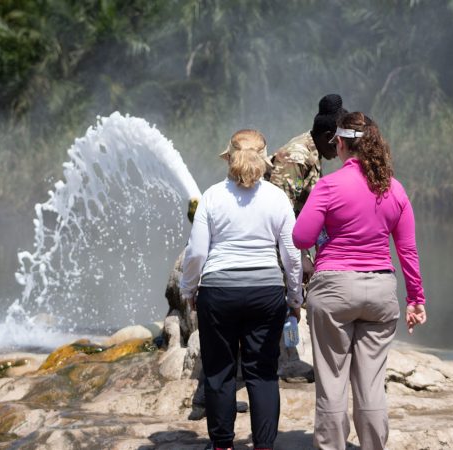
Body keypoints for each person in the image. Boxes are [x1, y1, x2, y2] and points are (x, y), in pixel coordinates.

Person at [292, 112, 428, 449]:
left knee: (332, 381)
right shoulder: (394, 189)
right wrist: (416, 300)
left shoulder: (329, 185)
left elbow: (301, 237)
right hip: (381, 291)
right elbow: (407, 250)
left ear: (340, 143)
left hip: (334, 290)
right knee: (370, 385)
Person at [180, 129, 303, 450]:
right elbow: (292, 254)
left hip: (218, 294)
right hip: (266, 294)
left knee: (219, 372)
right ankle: (263, 446)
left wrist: (189, 289)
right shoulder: (277, 198)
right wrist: (294, 298)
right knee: (262, 374)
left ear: (229, 158)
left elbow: (196, 253)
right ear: (263, 159)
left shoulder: (212, 196)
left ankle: (222, 445)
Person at [268, 93, 346, 281]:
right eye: (338, 143)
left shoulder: (314, 153)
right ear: (328, 137)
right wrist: (301, 257)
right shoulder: (297, 157)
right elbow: (276, 213)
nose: (341, 149)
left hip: (289, 242)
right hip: (271, 246)